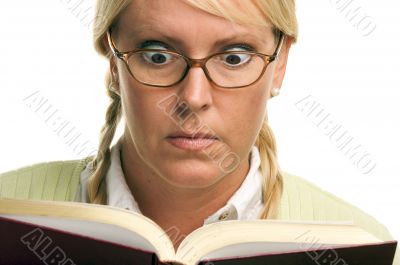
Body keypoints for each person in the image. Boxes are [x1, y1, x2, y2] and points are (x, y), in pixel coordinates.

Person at [0, 0, 398, 262]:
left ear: (280, 63)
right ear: (112, 61)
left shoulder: (361, 245)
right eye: (157, 54)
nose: (193, 98)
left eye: (234, 56)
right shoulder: (8, 210)